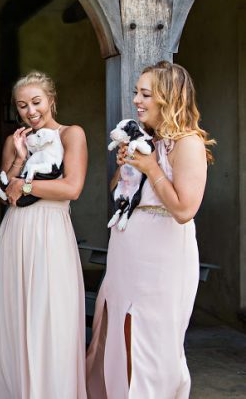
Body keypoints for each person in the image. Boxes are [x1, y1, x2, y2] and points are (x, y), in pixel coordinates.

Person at [86, 61, 213, 399]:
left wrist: (151, 166)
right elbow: (120, 193)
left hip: (164, 252)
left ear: (168, 98)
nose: (137, 101)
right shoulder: (145, 140)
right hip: (127, 247)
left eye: (145, 94)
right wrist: (125, 169)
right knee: (119, 331)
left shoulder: (189, 143)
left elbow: (184, 209)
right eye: (136, 93)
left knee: (153, 339)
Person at [0, 70, 88, 398]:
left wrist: (28, 184)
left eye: (36, 102)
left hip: (52, 232)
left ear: (51, 100)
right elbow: (4, 193)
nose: (30, 111)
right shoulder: (15, 140)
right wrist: (19, 158)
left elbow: (72, 187)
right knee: (15, 314)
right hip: (16, 230)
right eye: (22, 106)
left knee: (51, 314)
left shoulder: (72, 134)